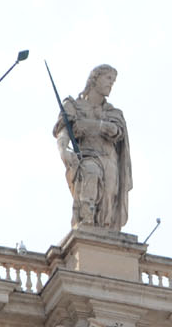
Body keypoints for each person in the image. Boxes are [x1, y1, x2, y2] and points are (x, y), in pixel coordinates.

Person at [54, 64, 133, 230]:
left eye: (113, 80)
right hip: (87, 157)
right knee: (91, 175)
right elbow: (63, 133)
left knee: (107, 207)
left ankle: (103, 241)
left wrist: (90, 126)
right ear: (95, 79)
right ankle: (86, 226)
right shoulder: (73, 106)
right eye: (108, 78)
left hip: (110, 163)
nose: (111, 83)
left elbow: (116, 130)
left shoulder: (114, 112)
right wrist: (63, 152)